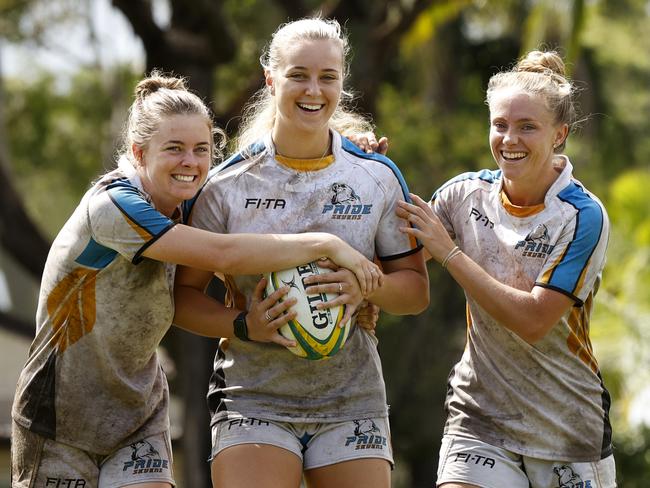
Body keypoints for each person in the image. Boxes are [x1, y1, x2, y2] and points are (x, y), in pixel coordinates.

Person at [10, 71, 385, 488]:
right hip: (61, 416)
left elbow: (267, 166)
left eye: (200, 150)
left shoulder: (187, 202)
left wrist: (354, 150)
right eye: (174, 149)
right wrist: (326, 244)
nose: (189, 162)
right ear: (138, 152)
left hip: (139, 415)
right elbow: (222, 253)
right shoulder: (113, 207)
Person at [173, 17, 429, 488]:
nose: (314, 90)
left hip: (353, 398)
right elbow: (182, 299)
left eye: (328, 77)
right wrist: (243, 326)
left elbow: (413, 292)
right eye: (299, 75)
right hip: (252, 397)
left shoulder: (376, 177)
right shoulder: (227, 185)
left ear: (342, 83)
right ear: (272, 80)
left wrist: (366, 286)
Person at [396, 50, 616, 487]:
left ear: (559, 135)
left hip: (566, 429)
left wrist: (451, 255)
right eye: (500, 125)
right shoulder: (463, 196)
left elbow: (534, 320)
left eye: (527, 127)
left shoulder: (582, 216)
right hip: (478, 419)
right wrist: (363, 159)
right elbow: (395, 263)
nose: (509, 139)